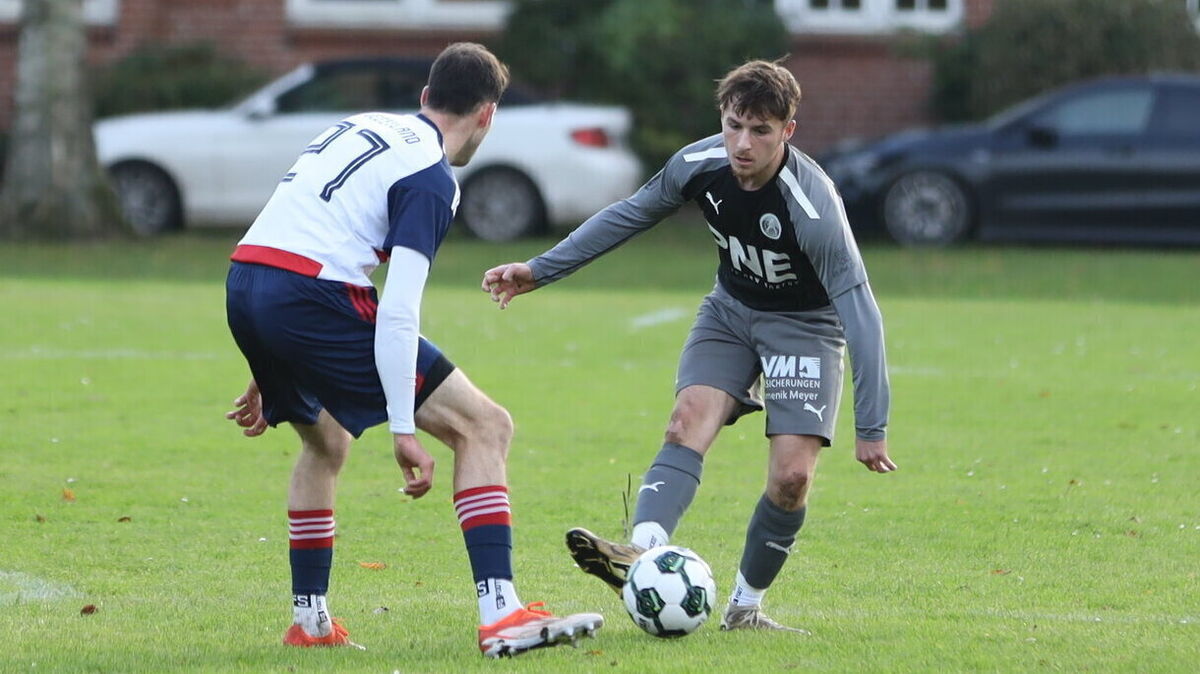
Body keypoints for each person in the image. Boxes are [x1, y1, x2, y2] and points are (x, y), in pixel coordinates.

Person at [482, 59, 896, 633]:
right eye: (733, 126)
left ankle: (745, 608)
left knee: (792, 478)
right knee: (686, 421)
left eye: (760, 131)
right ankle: (641, 554)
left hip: (804, 326)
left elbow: (861, 313)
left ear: (787, 132)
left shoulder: (814, 206)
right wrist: (540, 270)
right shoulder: (698, 164)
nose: (742, 144)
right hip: (730, 311)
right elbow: (629, 215)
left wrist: (871, 425)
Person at [223, 42, 602, 658]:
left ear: (425, 97)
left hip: (246, 282)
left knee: (327, 439)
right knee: (484, 427)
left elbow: (294, 230)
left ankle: (310, 623)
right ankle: (501, 615)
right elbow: (398, 309)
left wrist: (271, 354)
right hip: (306, 296)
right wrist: (405, 427)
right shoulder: (431, 179)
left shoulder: (359, 125)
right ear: (488, 117)